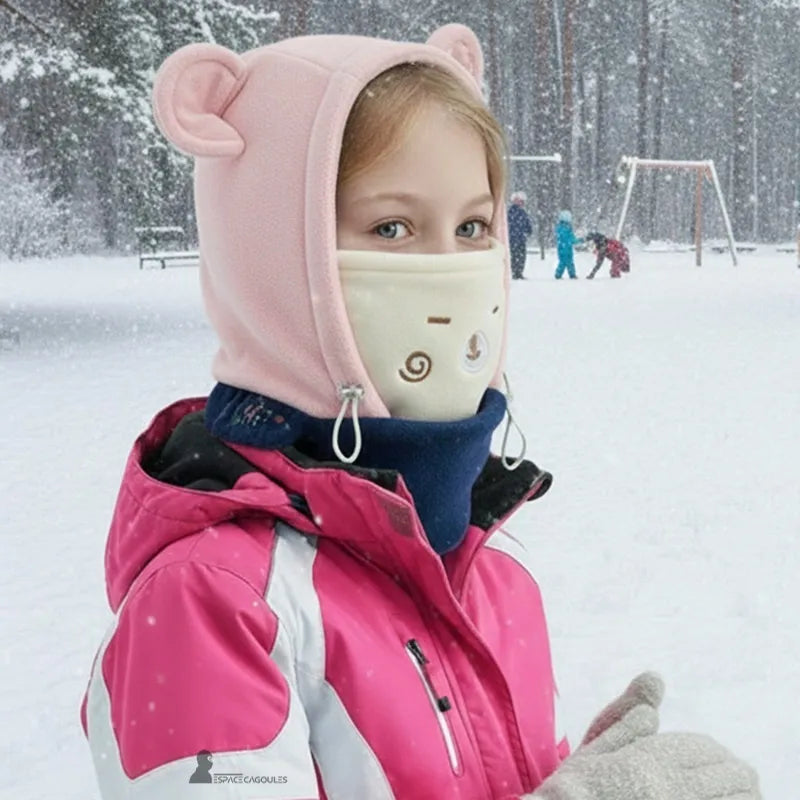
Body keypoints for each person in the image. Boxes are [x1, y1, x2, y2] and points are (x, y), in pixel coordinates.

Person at [80, 26, 760, 800]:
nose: (448, 269)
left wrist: (569, 779)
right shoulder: (215, 601)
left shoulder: (485, 554)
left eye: (472, 228)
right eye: (392, 228)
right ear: (273, 257)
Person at [507, 191, 533, 279]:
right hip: (515, 239)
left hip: (518, 239)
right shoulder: (512, 213)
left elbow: (527, 224)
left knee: (519, 257)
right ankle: (516, 273)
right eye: (520, 201)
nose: (522, 203)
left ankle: (518, 272)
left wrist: (529, 230)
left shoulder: (519, 213)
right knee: (517, 257)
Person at [554, 209, 582, 279]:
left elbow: (569, 238)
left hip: (564, 248)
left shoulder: (561, 228)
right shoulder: (566, 228)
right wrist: (578, 241)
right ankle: (562, 274)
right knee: (566, 262)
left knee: (565, 262)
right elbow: (570, 238)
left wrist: (576, 240)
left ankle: (563, 274)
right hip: (566, 248)